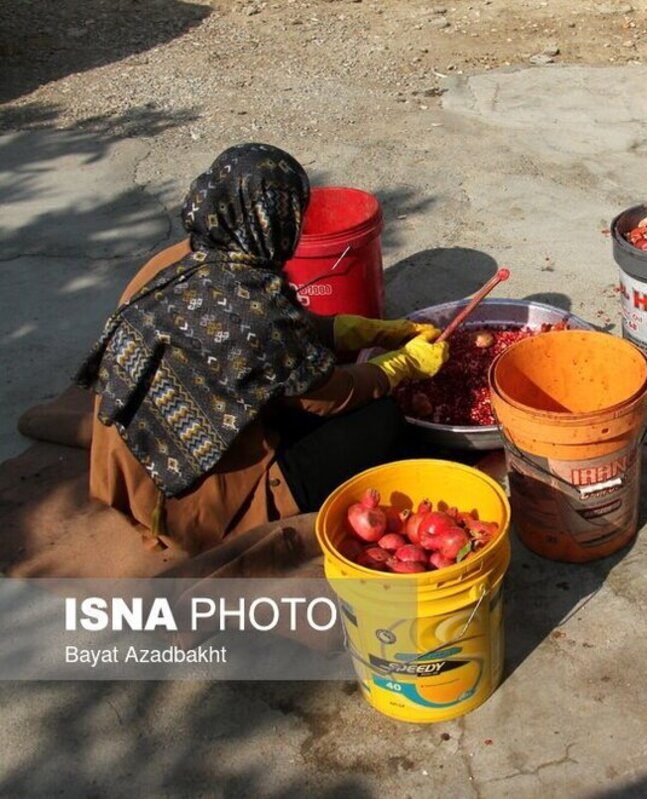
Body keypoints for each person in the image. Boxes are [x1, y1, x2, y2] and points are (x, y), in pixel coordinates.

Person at [76, 143, 448, 554]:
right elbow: (330, 394)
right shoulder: (251, 309)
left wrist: (359, 330)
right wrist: (397, 367)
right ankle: (255, 509)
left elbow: (275, 331)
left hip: (123, 469)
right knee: (381, 416)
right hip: (186, 496)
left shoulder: (181, 258)